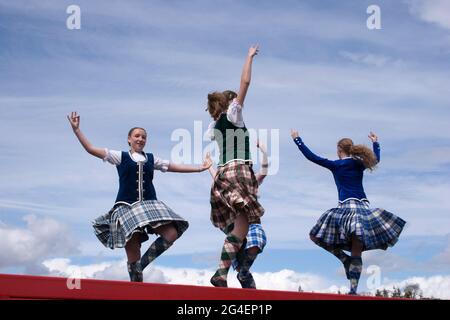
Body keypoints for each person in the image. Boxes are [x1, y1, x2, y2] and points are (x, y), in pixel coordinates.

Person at [67, 112, 211, 282]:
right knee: (133, 248)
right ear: (129, 139)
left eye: (144, 137)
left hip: (148, 205)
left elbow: (173, 166)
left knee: (171, 233)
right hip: (126, 206)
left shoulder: (151, 159)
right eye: (137, 136)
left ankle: (140, 266)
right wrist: (77, 130)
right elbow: (91, 149)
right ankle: (136, 284)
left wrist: (200, 168)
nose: (140, 139)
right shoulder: (121, 156)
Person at [291, 129, 406, 295]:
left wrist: (297, 140)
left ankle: (344, 259)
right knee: (356, 249)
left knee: (314, 236)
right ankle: (353, 290)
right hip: (363, 210)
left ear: (339, 150)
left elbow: (311, 157)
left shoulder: (336, 165)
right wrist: (375, 143)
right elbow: (376, 160)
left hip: (346, 208)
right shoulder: (359, 163)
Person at [205, 45, 265, 287]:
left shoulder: (213, 127)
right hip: (239, 170)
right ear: (230, 103)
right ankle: (223, 272)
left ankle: (224, 272)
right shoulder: (233, 115)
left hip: (223, 174)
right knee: (242, 224)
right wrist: (249, 57)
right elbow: (245, 83)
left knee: (239, 226)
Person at [204, 141, 268, 289]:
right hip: (237, 225)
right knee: (238, 258)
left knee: (257, 239)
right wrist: (209, 167)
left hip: (252, 224)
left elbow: (263, 172)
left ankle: (243, 272)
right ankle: (241, 274)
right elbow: (219, 181)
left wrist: (264, 152)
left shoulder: (252, 181)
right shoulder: (231, 182)